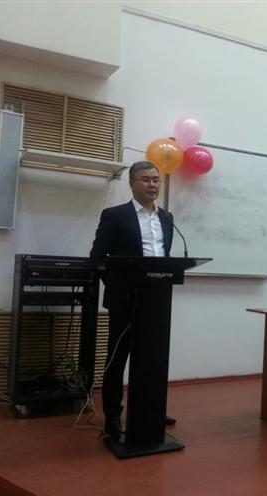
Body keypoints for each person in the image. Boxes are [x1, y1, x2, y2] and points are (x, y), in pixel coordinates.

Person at [89, 161, 176, 441]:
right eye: (146, 179)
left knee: (153, 358)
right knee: (117, 359)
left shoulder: (167, 218)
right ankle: (113, 416)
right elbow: (97, 259)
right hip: (125, 300)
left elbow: (164, 258)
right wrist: (117, 286)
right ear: (132, 184)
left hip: (157, 300)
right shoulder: (115, 216)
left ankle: (151, 410)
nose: (153, 185)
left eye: (156, 180)